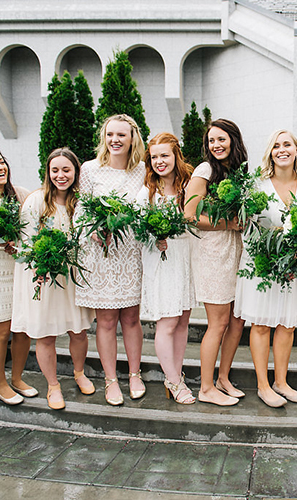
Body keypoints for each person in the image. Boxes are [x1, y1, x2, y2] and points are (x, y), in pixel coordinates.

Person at [234, 130, 297, 408]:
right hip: (262, 266)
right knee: (261, 325)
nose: (282, 150)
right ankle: (264, 385)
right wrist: (268, 258)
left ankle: (282, 382)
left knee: (287, 325)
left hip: (293, 267)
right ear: (270, 152)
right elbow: (248, 229)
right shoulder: (257, 186)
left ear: (296, 149)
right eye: (276, 146)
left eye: (287, 145)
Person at [11, 148, 95, 410]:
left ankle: (79, 373)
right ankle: (53, 385)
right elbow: (25, 242)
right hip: (44, 277)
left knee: (78, 331)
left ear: (75, 172)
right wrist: (43, 262)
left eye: (66, 170)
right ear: (47, 172)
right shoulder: (37, 201)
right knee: (46, 336)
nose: (61, 175)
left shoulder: (81, 202)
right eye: (55, 170)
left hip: (71, 277)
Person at [75, 114, 147, 406]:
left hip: (132, 252)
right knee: (105, 321)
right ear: (104, 138)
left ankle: (134, 374)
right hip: (102, 254)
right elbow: (81, 210)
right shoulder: (91, 169)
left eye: (122, 135)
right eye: (110, 135)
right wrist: (93, 232)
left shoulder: (143, 170)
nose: (115, 140)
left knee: (131, 318)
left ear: (133, 139)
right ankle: (111, 380)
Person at [184, 118, 247, 406]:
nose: (216, 145)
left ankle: (223, 378)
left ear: (233, 140)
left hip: (236, 251)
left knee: (237, 320)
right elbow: (190, 214)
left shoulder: (237, 173)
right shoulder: (205, 169)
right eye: (211, 140)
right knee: (218, 323)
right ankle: (206, 388)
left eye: (221, 139)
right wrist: (228, 224)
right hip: (213, 252)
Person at [136, 133, 197, 404]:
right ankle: (172, 380)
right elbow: (138, 232)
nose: (160, 161)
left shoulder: (188, 187)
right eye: (155, 156)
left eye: (165, 155)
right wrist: (155, 238)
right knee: (168, 322)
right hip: (162, 263)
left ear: (176, 156)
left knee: (183, 320)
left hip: (185, 259)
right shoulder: (147, 193)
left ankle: (176, 376)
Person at [0, 147, 32, 405]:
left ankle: (17, 378)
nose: (0, 167)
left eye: (1, 161)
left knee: (23, 330)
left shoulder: (19, 195)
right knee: (0, 332)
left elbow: (33, 227)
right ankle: (0, 384)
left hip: (20, 270)